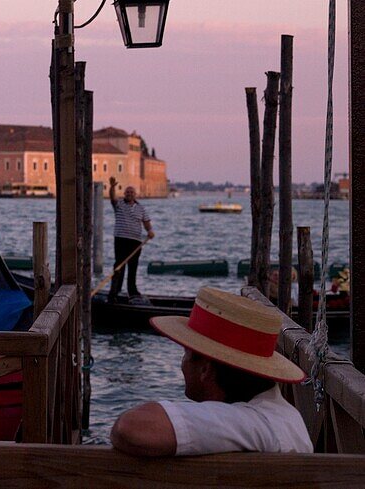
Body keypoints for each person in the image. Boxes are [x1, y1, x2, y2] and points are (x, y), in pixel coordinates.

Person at [110, 286, 310, 456]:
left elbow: (130, 427)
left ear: (205, 369)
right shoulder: (283, 418)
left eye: (186, 354)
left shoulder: (257, 423)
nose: (182, 364)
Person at [107, 176, 154, 303]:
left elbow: (146, 222)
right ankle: (114, 291)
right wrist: (112, 187)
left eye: (131, 192)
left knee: (133, 267)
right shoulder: (119, 205)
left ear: (135, 195)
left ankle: (132, 291)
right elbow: (112, 197)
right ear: (124, 194)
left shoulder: (141, 208)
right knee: (119, 266)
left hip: (136, 242)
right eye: (127, 192)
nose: (129, 194)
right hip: (121, 240)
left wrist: (149, 231)